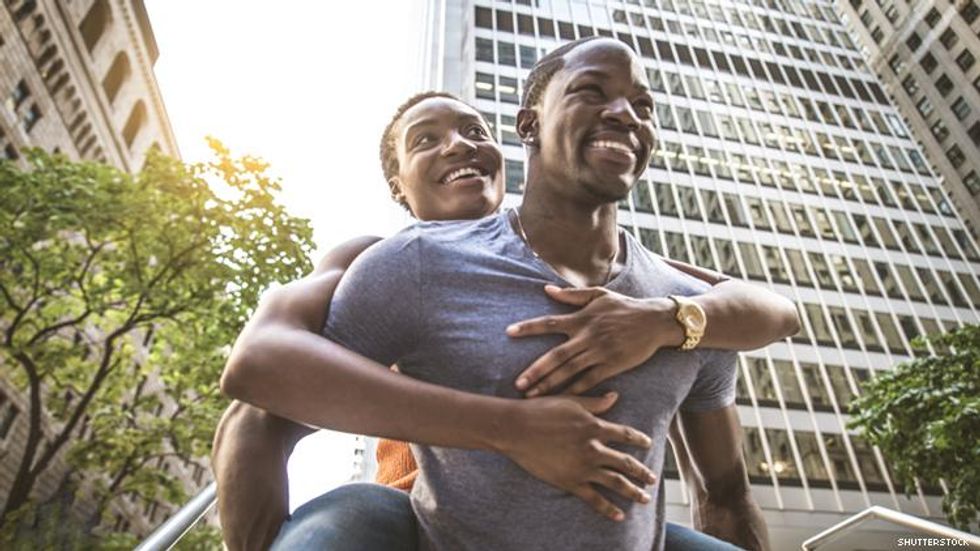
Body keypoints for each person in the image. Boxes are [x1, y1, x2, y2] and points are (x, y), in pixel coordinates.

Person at [218, 37, 796, 550]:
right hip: (414, 505)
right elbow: (258, 387)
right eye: (427, 140)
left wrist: (669, 319)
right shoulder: (386, 259)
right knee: (335, 525)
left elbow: (765, 308)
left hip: (614, 523)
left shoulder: (654, 288)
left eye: (474, 132)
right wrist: (511, 428)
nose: (459, 147)